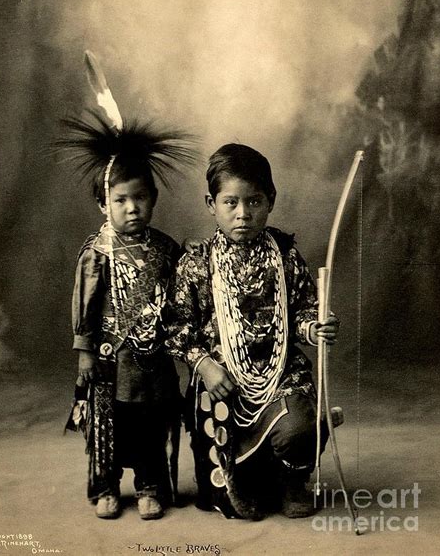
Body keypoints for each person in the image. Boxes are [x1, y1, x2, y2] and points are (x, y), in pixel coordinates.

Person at [166, 143, 339, 520]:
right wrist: (207, 367)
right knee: (235, 490)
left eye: (254, 201)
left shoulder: (284, 254)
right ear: (211, 204)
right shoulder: (197, 262)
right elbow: (178, 328)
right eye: (231, 203)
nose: (243, 214)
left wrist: (314, 328)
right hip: (223, 383)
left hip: (279, 376)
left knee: (300, 426)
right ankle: (243, 481)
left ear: (271, 200)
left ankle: (293, 481)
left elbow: (304, 307)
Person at [61, 52, 197, 521]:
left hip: (154, 362)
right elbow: (85, 308)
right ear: (104, 203)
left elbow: (183, 299)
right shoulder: (97, 251)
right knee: (107, 425)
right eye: (121, 200)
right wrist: (83, 355)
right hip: (107, 360)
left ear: (153, 199)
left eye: (141, 197)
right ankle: (104, 487)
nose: (132, 208)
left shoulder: (166, 249)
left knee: (150, 424)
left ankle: (150, 485)